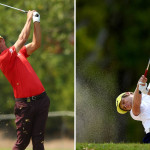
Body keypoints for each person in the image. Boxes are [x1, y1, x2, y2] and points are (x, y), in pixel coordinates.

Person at [0, 10, 50, 150]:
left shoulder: (18, 53)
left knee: (38, 142)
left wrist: (36, 21)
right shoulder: (3, 59)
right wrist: (28, 18)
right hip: (25, 106)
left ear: (2, 40)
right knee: (22, 142)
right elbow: (22, 39)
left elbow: (36, 43)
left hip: (42, 100)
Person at [116, 74, 150, 143]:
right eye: (124, 108)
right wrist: (139, 86)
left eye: (123, 102)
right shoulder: (133, 113)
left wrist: (144, 90)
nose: (126, 105)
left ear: (128, 93)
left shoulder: (145, 90)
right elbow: (136, 103)